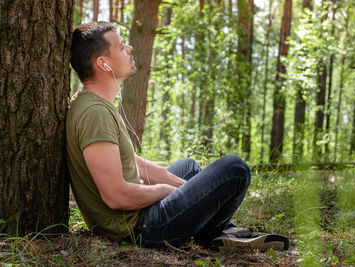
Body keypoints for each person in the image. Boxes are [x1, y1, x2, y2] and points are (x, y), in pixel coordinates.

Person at [66, 21, 289, 252]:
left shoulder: (96, 104)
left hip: (136, 218)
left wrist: (188, 189)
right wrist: (169, 191)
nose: (130, 48)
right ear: (103, 63)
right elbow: (116, 196)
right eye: (122, 47)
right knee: (235, 169)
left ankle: (220, 233)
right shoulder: (95, 113)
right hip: (138, 228)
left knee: (189, 167)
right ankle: (217, 233)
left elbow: (133, 163)